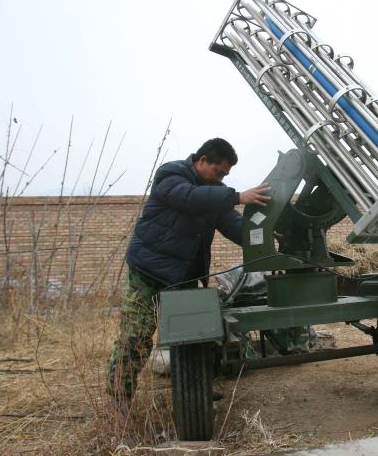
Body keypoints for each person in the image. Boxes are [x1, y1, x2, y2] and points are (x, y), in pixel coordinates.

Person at [107, 137, 270, 404]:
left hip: (184, 277)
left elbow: (234, 226)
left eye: (225, 176)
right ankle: (119, 404)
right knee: (135, 339)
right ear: (202, 160)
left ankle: (195, 391)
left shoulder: (214, 191)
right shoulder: (171, 174)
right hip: (149, 272)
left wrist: (267, 235)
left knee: (194, 339)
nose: (221, 179)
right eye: (219, 172)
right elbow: (189, 198)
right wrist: (238, 196)